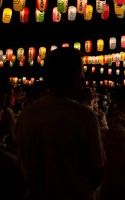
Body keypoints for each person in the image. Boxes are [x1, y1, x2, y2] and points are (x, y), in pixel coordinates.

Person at [15, 47, 106, 200]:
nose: (84, 78)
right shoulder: (83, 115)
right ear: (76, 76)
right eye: (82, 72)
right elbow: (98, 168)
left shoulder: (26, 115)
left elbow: (22, 163)